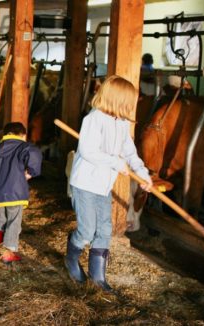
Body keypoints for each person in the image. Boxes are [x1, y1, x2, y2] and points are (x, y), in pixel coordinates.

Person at [65, 75, 152, 292]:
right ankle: (71, 259)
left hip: (103, 186)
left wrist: (143, 173)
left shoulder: (121, 123)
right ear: (117, 99)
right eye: (130, 101)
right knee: (87, 231)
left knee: (105, 229)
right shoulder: (93, 119)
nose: (132, 105)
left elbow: (130, 152)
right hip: (85, 183)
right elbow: (88, 151)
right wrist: (115, 162)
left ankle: (98, 277)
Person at [0, 122, 42, 264]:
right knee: (13, 222)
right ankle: (8, 253)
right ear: (23, 135)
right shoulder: (23, 146)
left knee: (1, 220)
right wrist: (31, 172)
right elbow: (35, 153)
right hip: (14, 193)